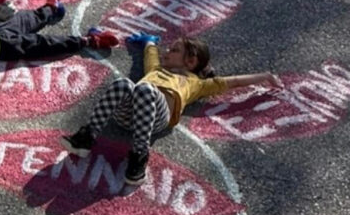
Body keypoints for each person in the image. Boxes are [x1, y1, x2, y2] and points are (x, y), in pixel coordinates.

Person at [60, 33, 284, 186]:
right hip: (127, 114)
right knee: (124, 84)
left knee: (145, 89)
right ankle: (87, 137)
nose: (167, 51)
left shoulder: (197, 83)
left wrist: (264, 77)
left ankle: (139, 156)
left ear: (191, 61)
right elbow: (151, 55)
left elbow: (232, 81)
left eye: (174, 50)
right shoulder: (156, 70)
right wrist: (148, 42)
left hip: (157, 118)